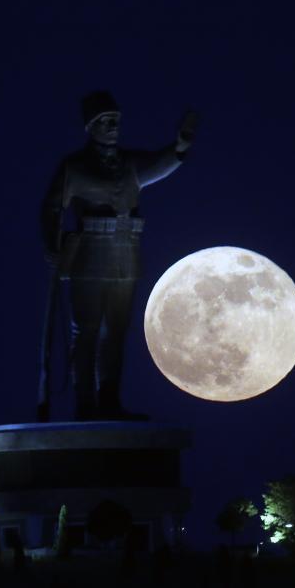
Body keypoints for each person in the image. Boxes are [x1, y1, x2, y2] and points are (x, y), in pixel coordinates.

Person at [39, 91, 196, 421]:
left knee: (117, 331)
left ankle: (109, 400)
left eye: (117, 121)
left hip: (126, 252)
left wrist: (180, 145)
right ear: (91, 126)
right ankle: (86, 403)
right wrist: (51, 246)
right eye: (106, 121)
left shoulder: (130, 165)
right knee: (87, 330)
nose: (113, 127)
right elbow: (52, 208)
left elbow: (160, 164)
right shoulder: (75, 167)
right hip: (90, 254)